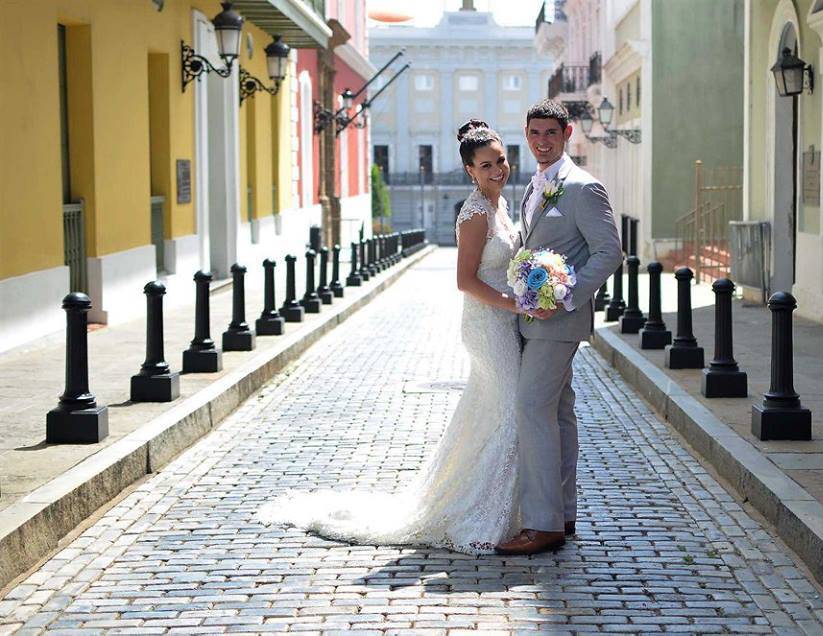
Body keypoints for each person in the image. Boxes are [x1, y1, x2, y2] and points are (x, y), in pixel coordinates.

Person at [257, 119, 524, 554]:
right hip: (486, 325)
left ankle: (500, 506)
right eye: (487, 165)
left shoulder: (501, 206)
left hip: (503, 322)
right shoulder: (475, 213)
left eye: (501, 160)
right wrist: (513, 303)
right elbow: (465, 281)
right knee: (507, 408)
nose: (498, 169)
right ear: (470, 171)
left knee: (492, 411)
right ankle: (480, 512)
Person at [495, 99, 623, 556]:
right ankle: (562, 514)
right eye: (535, 134)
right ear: (526, 135)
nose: (542, 141)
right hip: (534, 320)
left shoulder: (583, 188)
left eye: (551, 133)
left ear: (568, 133)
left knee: (531, 408)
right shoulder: (536, 185)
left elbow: (609, 252)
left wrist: (564, 295)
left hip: (559, 321)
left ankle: (542, 523)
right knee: (558, 414)